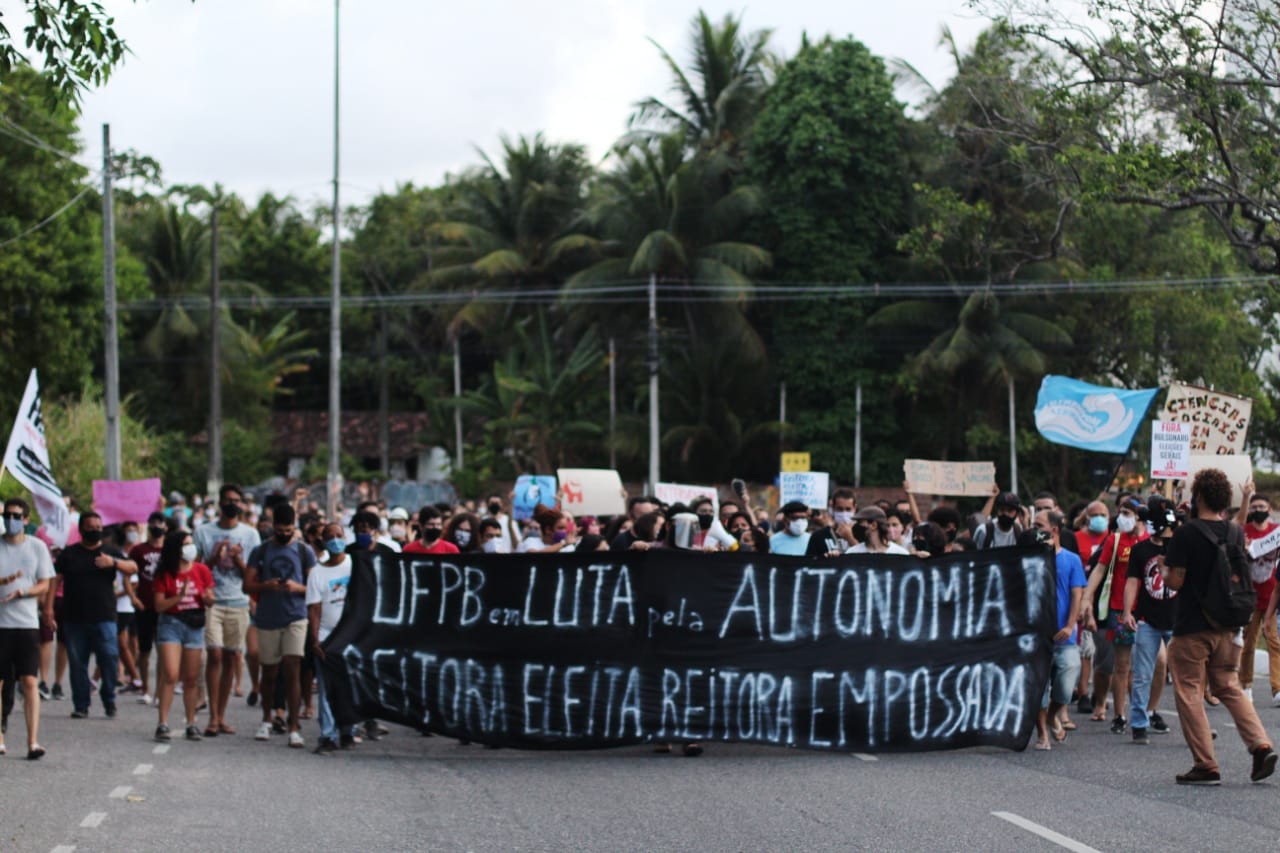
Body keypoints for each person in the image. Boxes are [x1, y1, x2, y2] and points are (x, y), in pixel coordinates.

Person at [1163, 467, 1276, 785]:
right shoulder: (1235, 532)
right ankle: (1260, 744)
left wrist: (1163, 568)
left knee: (1188, 691)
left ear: (1198, 496)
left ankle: (1206, 763)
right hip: (1229, 625)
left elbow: (1176, 581)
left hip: (1193, 627)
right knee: (1229, 685)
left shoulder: (1186, 535)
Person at [244, 505, 314, 748]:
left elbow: (314, 588)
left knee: (292, 668)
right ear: (273, 527)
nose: (284, 534)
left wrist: (298, 588)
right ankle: (267, 718)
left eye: (289, 530)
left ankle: (294, 726)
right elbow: (247, 585)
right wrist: (266, 586)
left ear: (294, 528)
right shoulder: (260, 550)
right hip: (268, 618)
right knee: (270, 672)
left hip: (296, 616)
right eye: (280, 530)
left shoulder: (305, 552)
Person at [193, 484, 260, 737]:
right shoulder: (204, 531)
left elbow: (252, 575)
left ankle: (221, 716)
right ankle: (211, 717)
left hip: (239, 601)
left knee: (232, 657)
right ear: (219, 503)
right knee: (215, 655)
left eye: (236, 500)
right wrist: (213, 556)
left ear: (241, 504)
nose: (232, 504)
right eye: (228, 500)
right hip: (213, 601)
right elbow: (196, 570)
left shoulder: (251, 535)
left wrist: (239, 560)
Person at [56, 512, 137, 719]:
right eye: (90, 527)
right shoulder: (69, 553)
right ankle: (81, 704)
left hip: (105, 617)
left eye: (98, 526)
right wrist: (48, 608)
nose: (95, 530)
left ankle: (108, 698)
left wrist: (114, 563)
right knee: (77, 663)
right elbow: (54, 580)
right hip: (75, 618)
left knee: (109, 658)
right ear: (82, 529)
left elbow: (133, 568)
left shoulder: (110, 551)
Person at [1081, 496, 1148, 732]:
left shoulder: (1150, 539)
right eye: (1121, 513)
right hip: (1119, 609)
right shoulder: (1116, 539)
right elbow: (1099, 570)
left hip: (1146, 611)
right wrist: (1087, 598)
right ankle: (1120, 715)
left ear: (1140, 515)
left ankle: (1147, 711)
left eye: (1127, 513)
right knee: (1122, 665)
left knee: (1152, 664)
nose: (1122, 517)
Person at [1121, 495, 1179, 744]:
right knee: (1143, 674)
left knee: (1186, 677)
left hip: (1178, 621)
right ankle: (1139, 724)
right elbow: (1132, 581)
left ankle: (1195, 725)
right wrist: (1127, 612)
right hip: (1147, 620)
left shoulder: (1180, 546)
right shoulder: (1141, 549)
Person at [0, 497, 55, 759]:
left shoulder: (37, 547)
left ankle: (33, 741)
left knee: (30, 681)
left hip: (26, 623)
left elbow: (45, 583)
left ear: (25, 519)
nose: (10, 520)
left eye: (15, 515)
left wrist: (23, 592)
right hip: (1, 624)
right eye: (6, 515)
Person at [1030, 510, 1084, 751]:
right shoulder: (1029, 559)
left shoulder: (1071, 560)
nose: (1034, 529)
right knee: (1039, 688)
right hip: (1038, 637)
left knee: (1064, 687)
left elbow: (1076, 594)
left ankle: (1054, 715)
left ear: (1054, 530)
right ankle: (1043, 733)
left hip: (1065, 637)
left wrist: (1070, 625)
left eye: (1039, 525)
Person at [152, 530, 214, 741]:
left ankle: (191, 722)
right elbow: (159, 605)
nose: (190, 548)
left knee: (191, 678)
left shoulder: (202, 570)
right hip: (171, 623)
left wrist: (207, 598)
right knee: (170, 674)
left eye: (191, 543)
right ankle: (163, 722)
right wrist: (179, 596)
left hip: (194, 625)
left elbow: (210, 598)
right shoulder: (165, 573)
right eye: (185, 544)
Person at [307, 522, 356, 753]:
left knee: (349, 686)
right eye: (330, 536)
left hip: (353, 636)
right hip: (328, 637)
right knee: (327, 689)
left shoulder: (355, 565)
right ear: (323, 542)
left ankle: (348, 730)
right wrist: (315, 640)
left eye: (339, 535)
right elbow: (314, 610)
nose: (336, 539)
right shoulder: (317, 573)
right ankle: (327, 735)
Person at [1238, 489, 1280, 704]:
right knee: (1249, 644)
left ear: (1269, 510)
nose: (1258, 511)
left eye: (1262, 508)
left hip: (1272, 594)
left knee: (1274, 642)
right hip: (1250, 597)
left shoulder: (1276, 532)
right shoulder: (1244, 532)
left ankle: (1278, 688)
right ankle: (1246, 685)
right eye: (1254, 508)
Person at [129, 513, 167, 706]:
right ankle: (145, 688)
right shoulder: (138, 550)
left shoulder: (170, 550)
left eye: (160, 523)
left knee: (163, 650)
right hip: (144, 605)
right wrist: (132, 597)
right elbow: (127, 574)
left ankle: (161, 691)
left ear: (166, 527)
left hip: (165, 608)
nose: (157, 526)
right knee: (144, 650)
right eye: (153, 523)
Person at [806, 488, 857, 557]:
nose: (844, 513)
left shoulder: (863, 534)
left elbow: (867, 558)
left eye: (848, 509)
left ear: (854, 508)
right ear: (832, 508)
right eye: (839, 509)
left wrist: (850, 538)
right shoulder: (818, 536)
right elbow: (809, 563)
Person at [845, 507, 910, 555]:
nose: (857, 526)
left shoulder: (900, 554)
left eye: (860, 522)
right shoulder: (852, 553)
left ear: (873, 525)